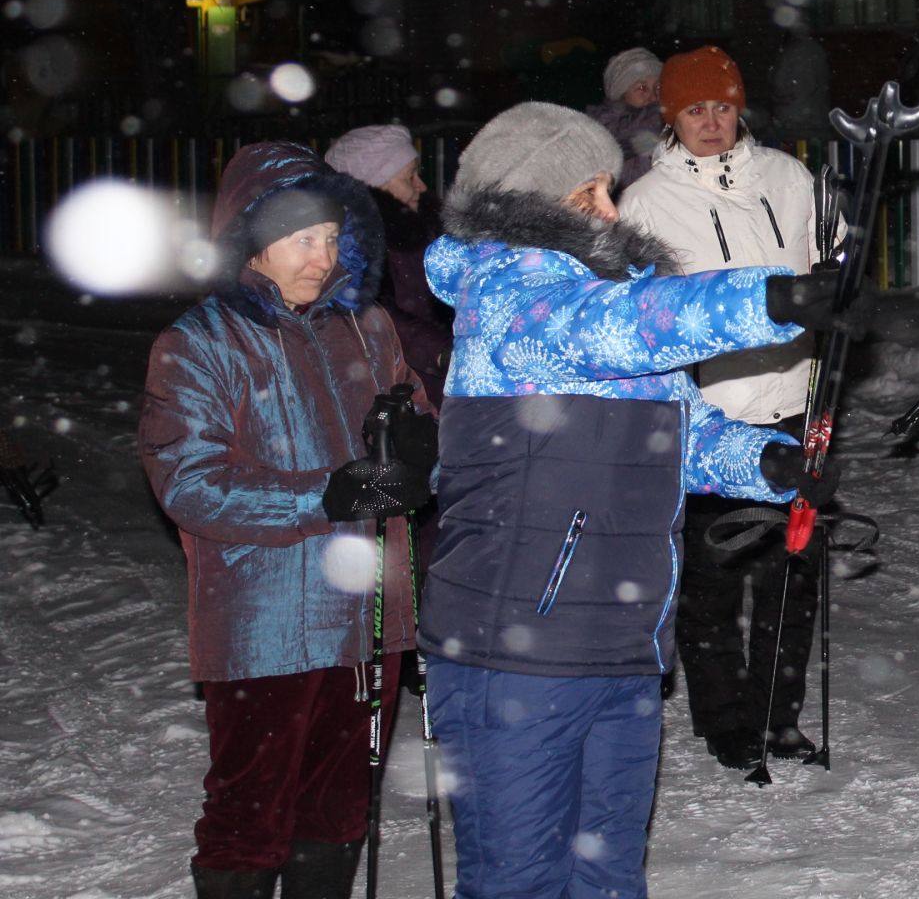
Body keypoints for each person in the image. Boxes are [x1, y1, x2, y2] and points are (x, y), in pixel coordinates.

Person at [418, 101, 845, 898]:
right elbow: (615, 329)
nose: (612, 213)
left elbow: (682, 431)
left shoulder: (605, 306)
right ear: (532, 202)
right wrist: (771, 299)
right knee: (518, 879)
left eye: (612, 192)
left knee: (608, 873)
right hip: (516, 652)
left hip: (621, 643)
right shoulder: (510, 295)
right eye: (591, 196)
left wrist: (771, 464)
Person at [141, 141, 433, 899]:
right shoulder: (200, 343)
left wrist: (418, 452)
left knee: (337, 808)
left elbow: (418, 425)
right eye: (303, 238)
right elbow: (193, 485)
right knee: (250, 807)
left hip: (368, 611)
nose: (323, 255)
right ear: (252, 238)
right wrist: (329, 494)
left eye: (334, 237)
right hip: (263, 623)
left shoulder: (367, 328)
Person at [618, 44, 838, 769]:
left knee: (791, 567)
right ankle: (725, 718)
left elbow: (822, 262)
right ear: (670, 117)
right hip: (710, 415)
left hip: (792, 402)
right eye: (693, 110)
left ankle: (779, 713)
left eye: (721, 106)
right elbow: (643, 313)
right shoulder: (648, 201)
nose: (710, 122)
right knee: (713, 580)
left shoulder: (788, 176)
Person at [325, 123, 453, 407]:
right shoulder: (353, 247)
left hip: (447, 385)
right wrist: (443, 352)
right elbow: (377, 317)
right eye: (410, 177)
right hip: (407, 390)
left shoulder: (430, 227)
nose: (422, 185)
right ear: (376, 185)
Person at [587, 45, 666, 191]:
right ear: (622, 92)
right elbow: (625, 136)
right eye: (642, 88)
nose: (653, 96)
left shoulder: (663, 121)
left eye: (658, 88)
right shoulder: (604, 124)